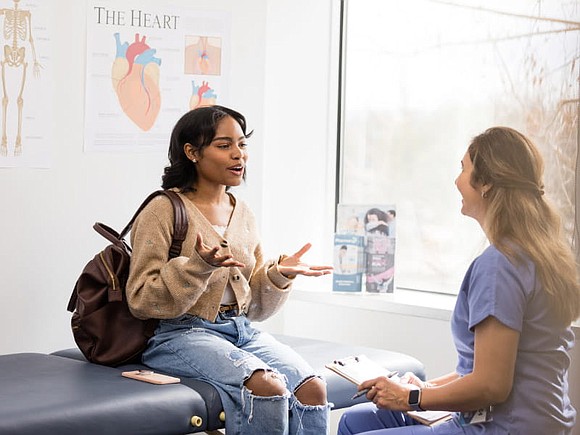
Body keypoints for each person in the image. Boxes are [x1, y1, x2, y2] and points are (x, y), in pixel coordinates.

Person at [338, 126, 580, 434]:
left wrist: (411, 397)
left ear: (487, 183)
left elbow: (492, 386)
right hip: (538, 419)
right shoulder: (541, 253)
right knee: (357, 419)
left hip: (504, 426)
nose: (456, 181)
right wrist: (426, 388)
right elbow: (486, 369)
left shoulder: (499, 265)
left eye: (463, 169)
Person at [126, 105, 333, 435]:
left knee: (312, 389)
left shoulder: (242, 212)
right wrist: (197, 267)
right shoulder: (162, 209)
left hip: (240, 329)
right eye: (224, 146)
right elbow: (141, 298)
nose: (239, 155)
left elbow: (253, 306)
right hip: (179, 333)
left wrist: (279, 274)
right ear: (192, 152)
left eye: (242, 144)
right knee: (266, 386)